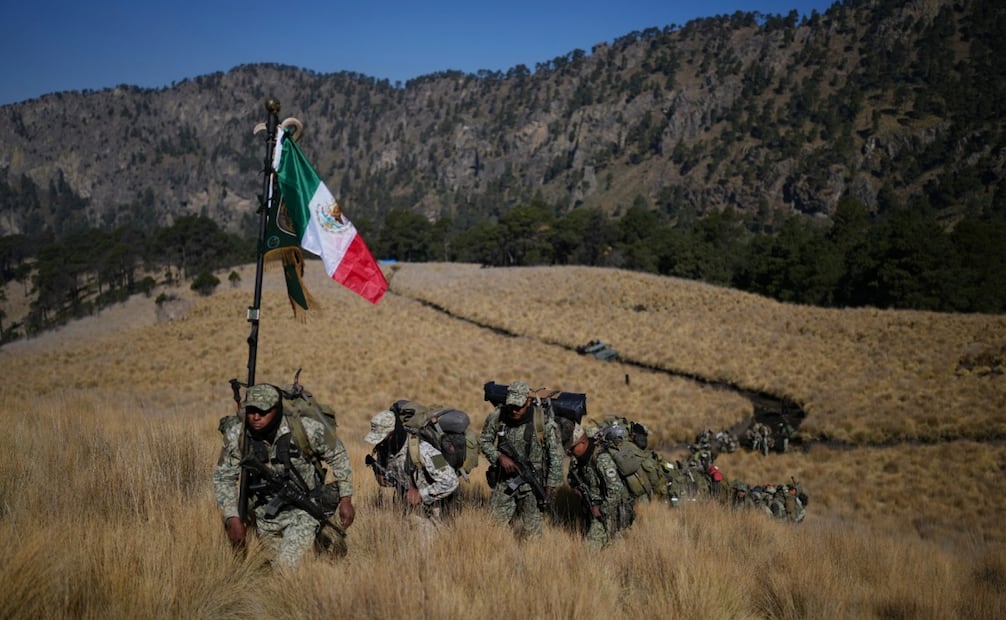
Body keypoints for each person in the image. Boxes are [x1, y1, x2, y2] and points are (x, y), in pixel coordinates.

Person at [213, 383, 355, 567]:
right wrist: (232, 517)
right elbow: (224, 477)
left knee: (286, 567)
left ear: (277, 409)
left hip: (303, 509)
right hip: (265, 514)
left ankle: (317, 536)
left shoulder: (307, 429)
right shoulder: (237, 436)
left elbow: (339, 456)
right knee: (269, 566)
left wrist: (346, 499)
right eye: (251, 411)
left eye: (263, 411)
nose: (256, 417)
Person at [478, 380, 564, 540]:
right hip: (504, 481)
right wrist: (499, 457)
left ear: (529, 401)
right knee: (491, 529)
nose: (514, 410)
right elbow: (484, 441)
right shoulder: (498, 416)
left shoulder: (543, 423)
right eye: (511, 406)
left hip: (533, 484)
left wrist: (551, 486)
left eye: (519, 406)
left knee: (532, 535)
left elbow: (556, 456)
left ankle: (532, 561)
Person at [363, 408, 459, 529]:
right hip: (405, 513)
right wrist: (382, 478)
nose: (380, 443)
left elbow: (451, 480)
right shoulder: (385, 450)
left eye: (383, 438)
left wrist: (421, 494)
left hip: (432, 515)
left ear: (393, 433)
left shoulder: (424, 450)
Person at [566, 424, 633, 548]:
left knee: (592, 550)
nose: (569, 452)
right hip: (591, 510)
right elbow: (571, 477)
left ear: (582, 442)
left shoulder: (601, 459)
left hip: (609, 511)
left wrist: (602, 510)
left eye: (572, 448)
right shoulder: (578, 459)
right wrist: (576, 488)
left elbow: (616, 488)